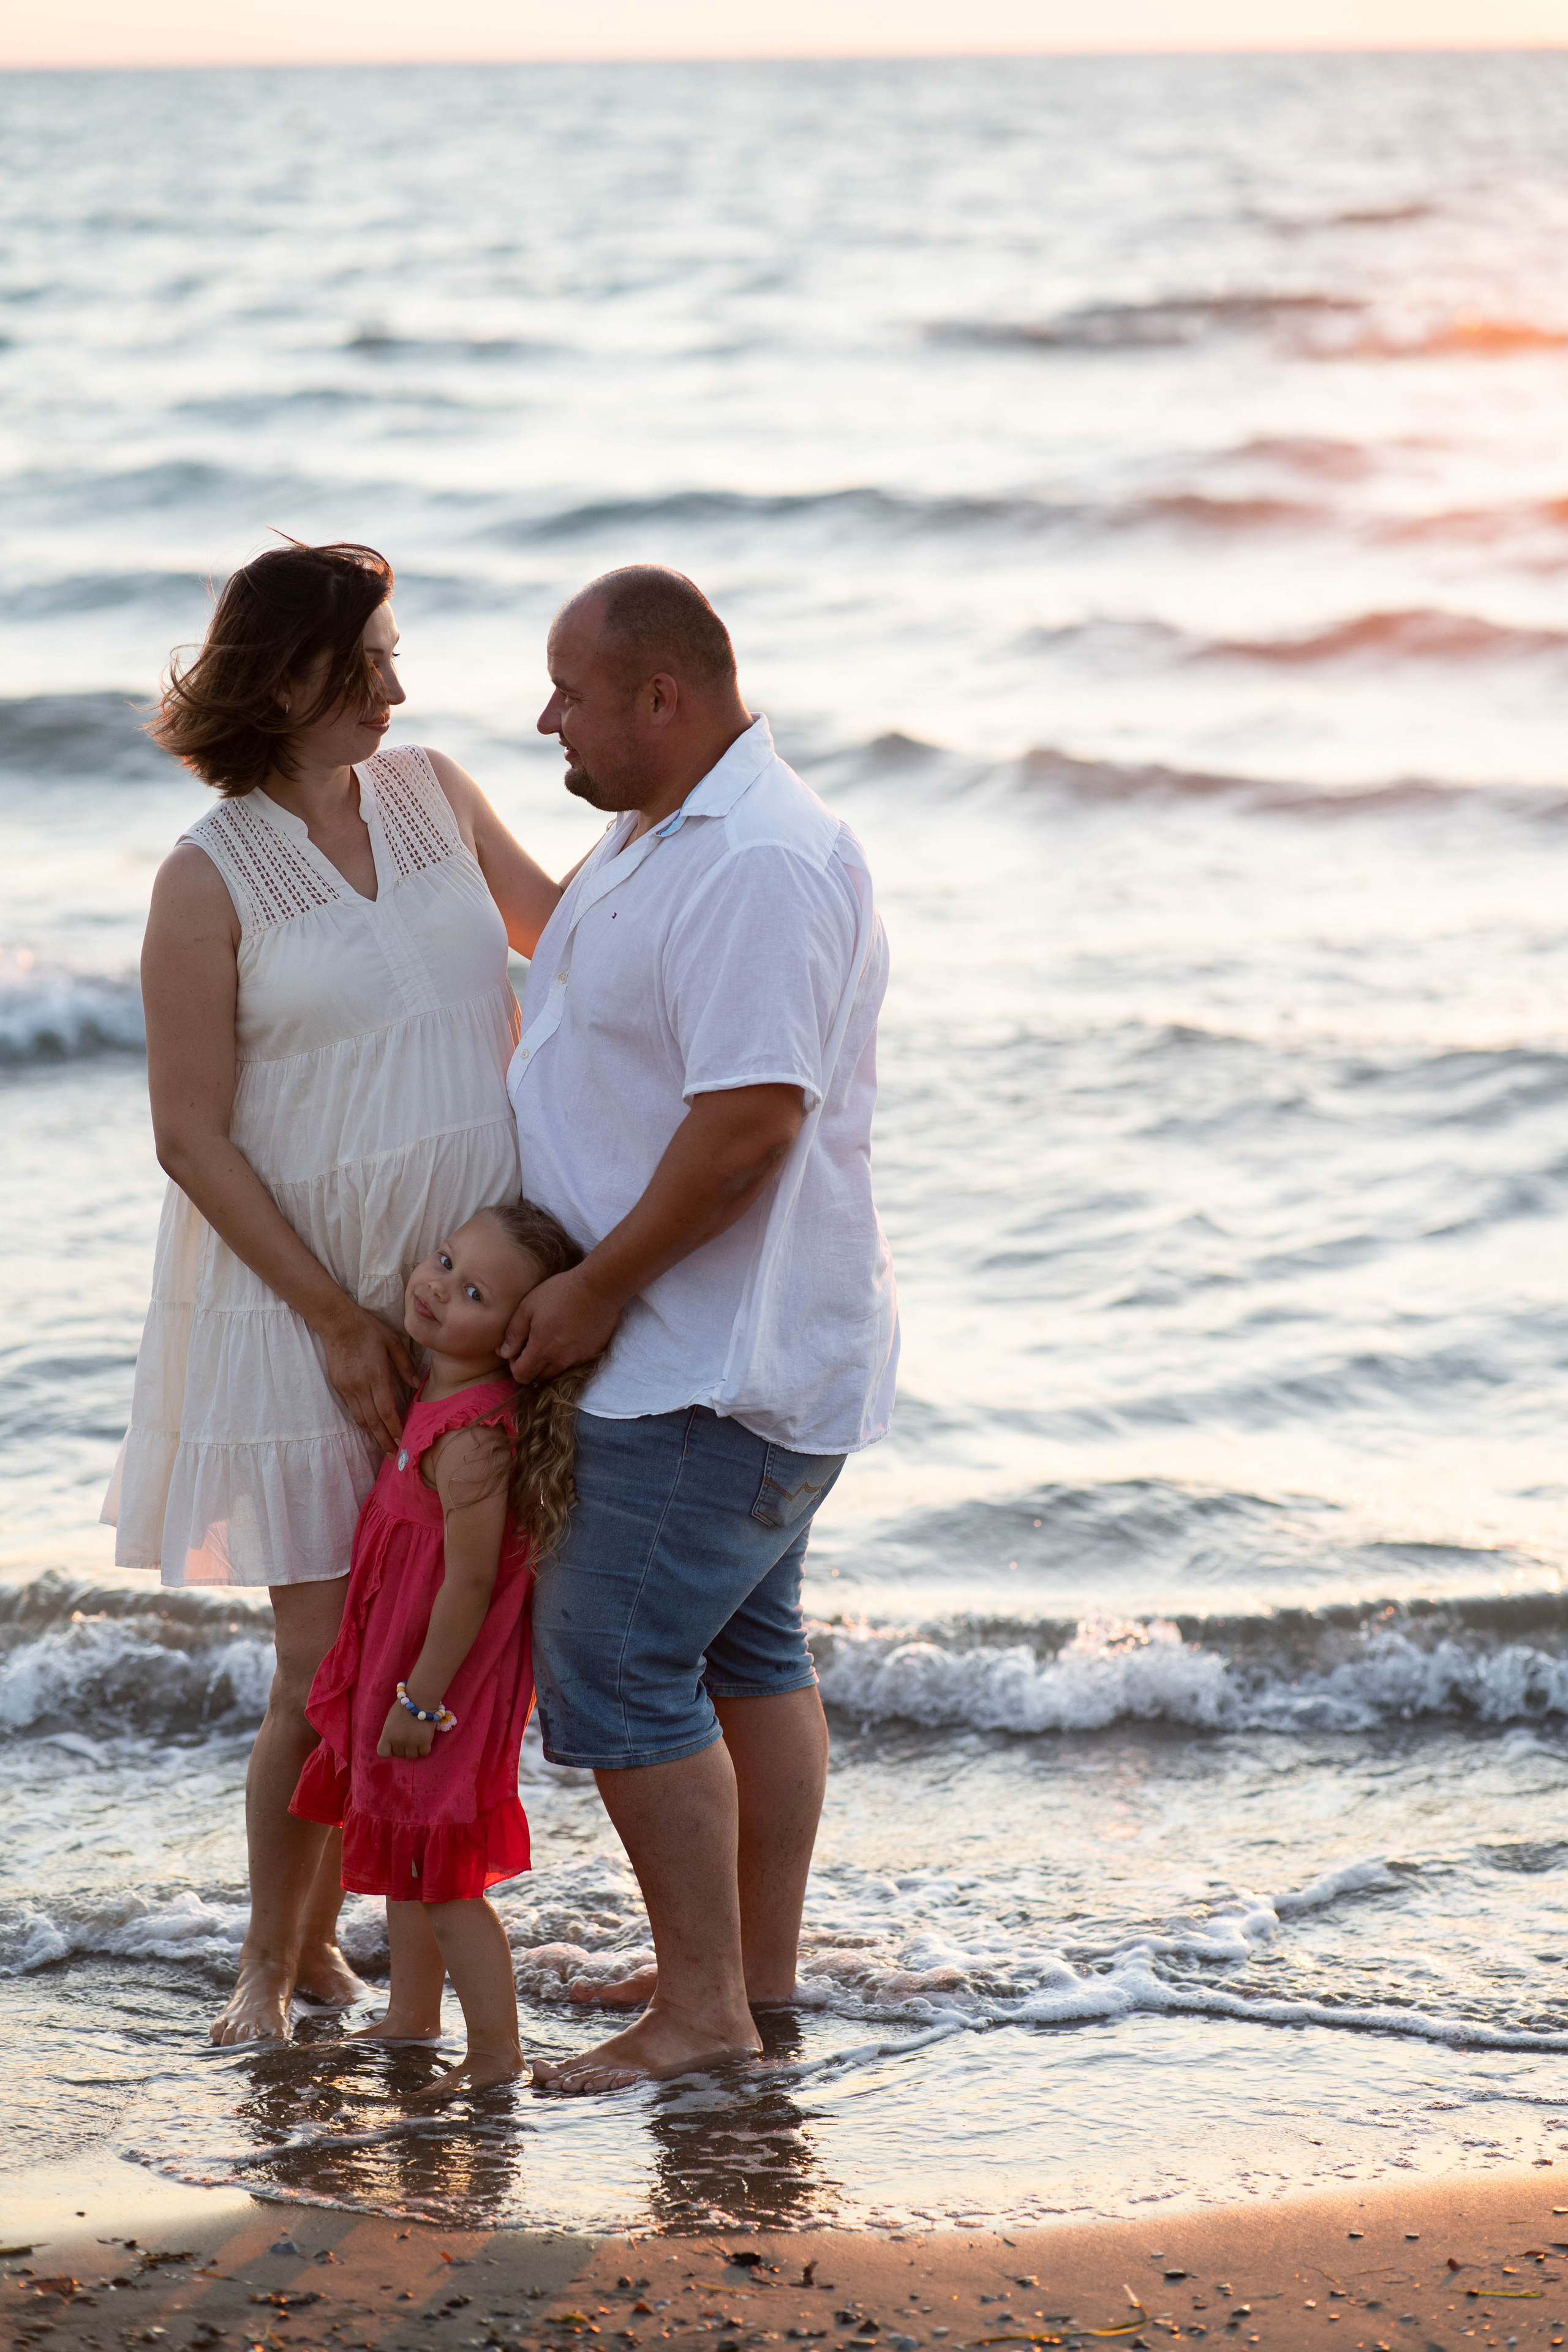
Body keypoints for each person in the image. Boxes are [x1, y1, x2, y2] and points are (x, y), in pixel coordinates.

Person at [102, 540, 564, 2046]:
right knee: (319, 1661)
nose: (398, 686)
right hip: (295, 1307)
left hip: (458, 1306)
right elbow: (189, 1135)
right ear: (290, 674)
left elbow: (564, 941)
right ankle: (277, 1958)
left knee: (448, 1624)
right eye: (370, 661)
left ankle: (384, 1935)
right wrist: (330, 1317)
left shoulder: (433, 790)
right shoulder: (209, 874)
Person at [500, 565, 899, 2093]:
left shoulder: (758, 863)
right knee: (746, 1652)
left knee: (609, 1664)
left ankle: (705, 2014)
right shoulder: (657, 833)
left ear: (661, 697)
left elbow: (748, 1125)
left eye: (571, 693)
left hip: (701, 1359)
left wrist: (593, 1289)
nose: (552, 719)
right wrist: (455, 828)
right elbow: (596, 993)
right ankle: (739, 1973)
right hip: (722, 1349)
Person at [290, 1199, 597, 2100]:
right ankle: (412, 2018)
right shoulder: (437, 1392)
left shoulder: (470, 1441)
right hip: (403, 1668)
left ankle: (498, 2053)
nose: (435, 1288)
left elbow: (469, 1586)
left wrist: (420, 1701)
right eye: (444, 1259)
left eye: (472, 1292)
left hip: (440, 1682)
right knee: (405, 1847)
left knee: (448, 1878)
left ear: (515, 1335)